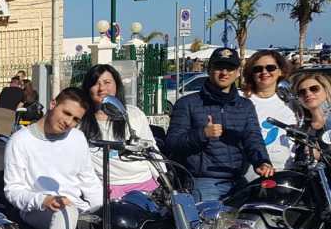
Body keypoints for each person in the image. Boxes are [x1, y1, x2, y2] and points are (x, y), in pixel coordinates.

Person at [4, 88, 102, 229]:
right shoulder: (21, 141)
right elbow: (13, 190)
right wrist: (43, 199)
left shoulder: (77, 138)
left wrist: (104, 210)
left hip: (75, 206)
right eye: (66, 113)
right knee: (65, 211)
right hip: (38, 209)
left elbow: (89, 182)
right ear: (52, 104)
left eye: (76, 119)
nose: (69, 122)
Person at [167, 47, 274, 202]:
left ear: (238, 72)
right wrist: (203, 134)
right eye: (219, 67)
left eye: (230, 68)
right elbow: (172, 143)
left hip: (238, 181)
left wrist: (262, 161)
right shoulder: (187, 103)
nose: (224, 73)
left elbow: (253, 139)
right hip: (204, 182)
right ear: (209, 70)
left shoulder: (245, 105)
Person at [79, 64, 164, 199]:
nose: (101, 88)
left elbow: (151, 148)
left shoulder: (133, 114)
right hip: (106, 189)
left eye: (107, 82)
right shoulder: (79, 120)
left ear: (116, 85)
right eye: (95, 83)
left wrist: (162, 179)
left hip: (144, 184)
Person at [242, 49, 296, 176]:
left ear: (280, 71)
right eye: (258, 69)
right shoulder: (240, 100)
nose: (264, 72)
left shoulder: (292, 103)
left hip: (286, 173)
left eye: (270, 68)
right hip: (248, 175)